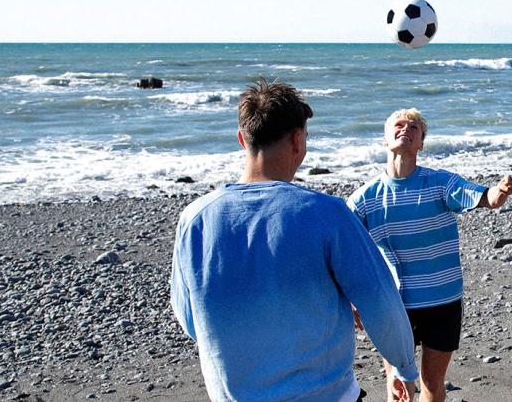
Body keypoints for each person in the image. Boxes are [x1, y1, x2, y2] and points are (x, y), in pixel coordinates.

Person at [170, 79, 419, 402]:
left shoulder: (195, 218)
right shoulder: (327, 213)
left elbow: (190, 318)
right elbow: (381, 302)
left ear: (243, 139)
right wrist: (404, 367)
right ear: (298, 140)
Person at [345, 108, 512, 402]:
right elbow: (345, 251)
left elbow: (483, 197)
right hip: (394, 305)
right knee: (398, 382)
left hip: (443, 300)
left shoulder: (440, 183)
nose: (406, 129)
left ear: (421, 143)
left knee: (432, 382)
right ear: (385, 138)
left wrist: (499, 192)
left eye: (414, 127)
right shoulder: (365, 198)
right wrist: (350, 298)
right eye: (399, 125)